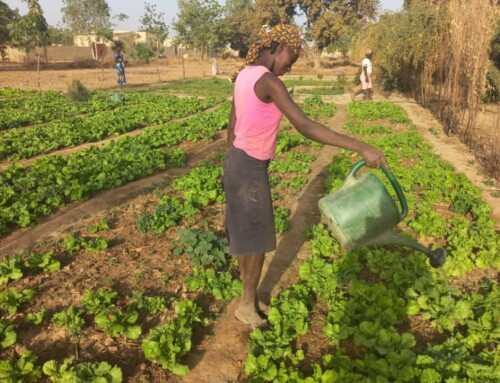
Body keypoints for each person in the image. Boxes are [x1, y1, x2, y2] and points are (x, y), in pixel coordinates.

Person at [224, 25, 388, 328]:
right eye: (292, 57)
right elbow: (305, 126)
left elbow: (233, 122)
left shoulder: (245, 74)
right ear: (275, 47)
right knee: (258, 239)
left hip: (236, 162)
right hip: (248, 168)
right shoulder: (268, 81)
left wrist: (234, 159)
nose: (292, 64)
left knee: (248, 237)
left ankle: (249, 298)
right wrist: (359, 146)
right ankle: (247, 304)